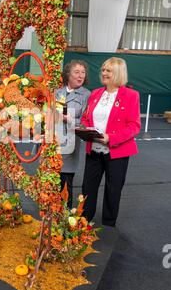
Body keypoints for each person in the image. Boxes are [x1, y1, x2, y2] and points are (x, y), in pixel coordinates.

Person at [81, 57, 141, 227]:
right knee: (87, 188)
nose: (104, 73)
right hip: (94, 150)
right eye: (103, 69)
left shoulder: (131, 95)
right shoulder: (95, 93)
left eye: (109, 70)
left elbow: (134, 126)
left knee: (113, 191)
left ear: (119, 73)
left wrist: (111, 138)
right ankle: (84, 222)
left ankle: (108, 226)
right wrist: (85, 129)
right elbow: (86, 118)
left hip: (117, 152)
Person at [56, 60, 90, 208]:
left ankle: (64, 218)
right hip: (53, 142)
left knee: (65, 184)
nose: (80, 75)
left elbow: (85, 122)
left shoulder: (86, 95)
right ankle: (50, 215)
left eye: (83, 72)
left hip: (70, 144)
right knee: (50, 183)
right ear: (68, 74)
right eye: (77, 72)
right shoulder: (57, 92)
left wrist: (69, 119)